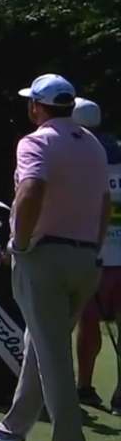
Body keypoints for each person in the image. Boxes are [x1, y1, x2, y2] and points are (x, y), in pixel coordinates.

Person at [0, 74, 112, 441]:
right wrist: (94, 250)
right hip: (86, 261)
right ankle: (10, 434)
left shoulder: (36, 141)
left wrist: (20, 243)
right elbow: (104, 206)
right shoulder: (94, 147)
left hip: (44, 258)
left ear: (36, 107)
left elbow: (30, 191)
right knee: (39, 345)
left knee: (52, 357)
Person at [72, 97, 121, 414]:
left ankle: (84, 388)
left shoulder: (78, 153)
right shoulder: (116, 148)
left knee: (87, 322)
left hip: (93, 253)